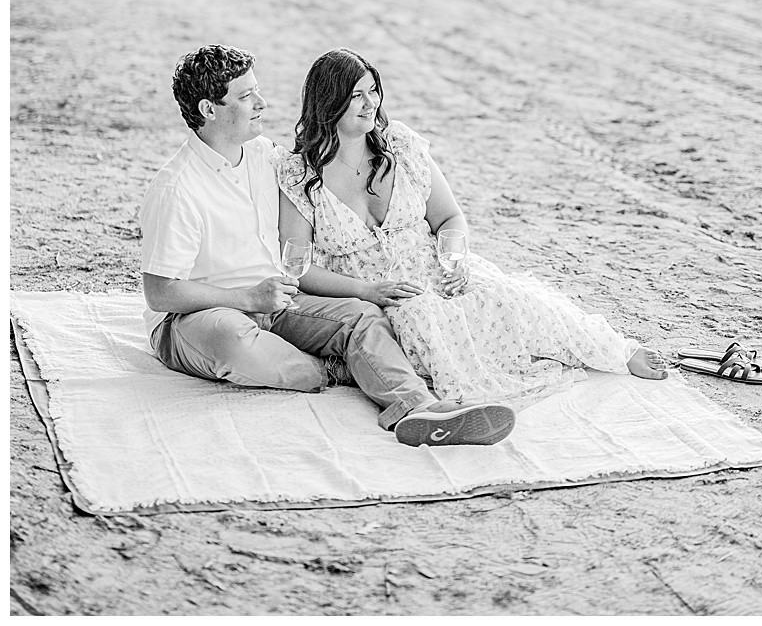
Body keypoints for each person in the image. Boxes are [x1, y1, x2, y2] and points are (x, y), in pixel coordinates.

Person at [139, 45, 516, 447]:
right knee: (232, 338)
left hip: (280, 299)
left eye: (257, 91)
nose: (261, 103)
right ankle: (333, 370)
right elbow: (161, 293)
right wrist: (246, 297)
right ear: (209, 109)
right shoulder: (176, 188)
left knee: (362, 316)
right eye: (246, 96)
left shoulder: (266, 155)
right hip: (201, 314)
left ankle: (417, 409)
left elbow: (326, 173)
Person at [271, 48, 668, 408]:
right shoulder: (298, 173)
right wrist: (366, 291)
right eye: (356, 95)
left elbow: (449, 219)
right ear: (329, 101)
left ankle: (617, 351)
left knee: (509, 298)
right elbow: (299, 266)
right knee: (422, 318)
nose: (369, 102)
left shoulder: (401, 146)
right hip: (369, 285)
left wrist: (453, 261)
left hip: (431, 262)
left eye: (373, 91)